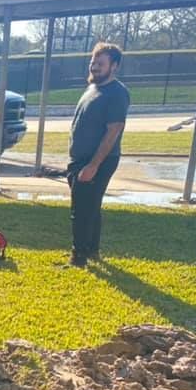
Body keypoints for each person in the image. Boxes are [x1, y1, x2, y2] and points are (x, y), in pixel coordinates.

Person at [67, 42, 130, 267]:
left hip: (98, 160)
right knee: (91, 206)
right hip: (79, 159)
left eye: (100, 63)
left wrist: (93, 165)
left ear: (114, 66)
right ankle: (92, 250)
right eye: (93, 62)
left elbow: (114, 130)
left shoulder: (117, 93)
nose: (94, 67)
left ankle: (78, 257)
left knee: (81, 209)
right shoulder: (93, 88)